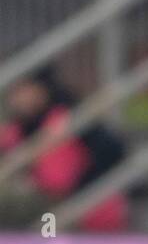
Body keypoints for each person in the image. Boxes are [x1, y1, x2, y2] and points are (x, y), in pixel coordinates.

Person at [0, 68, 128, 231]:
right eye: (14, 91)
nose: (17, 98)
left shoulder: (67, 117)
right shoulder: (17, 127)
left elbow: (112, 151)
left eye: (22, 89)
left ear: (41, 89)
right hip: (50, 207)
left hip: (83, 206)